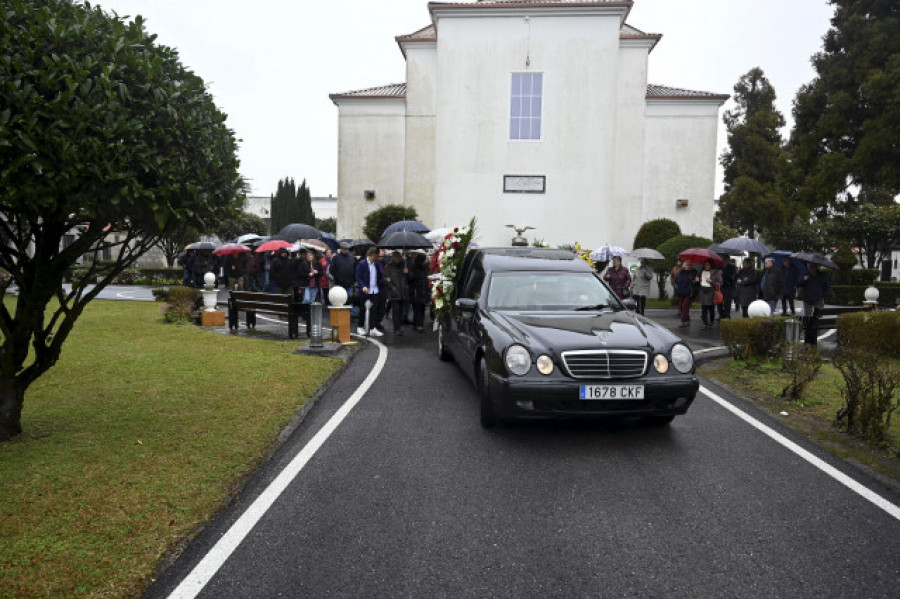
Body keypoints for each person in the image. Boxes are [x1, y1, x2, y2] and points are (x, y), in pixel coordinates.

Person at [355, 247, 384, 336]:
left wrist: (381, 282)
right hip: (365, 291)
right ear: (371, 255)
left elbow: (379, 276)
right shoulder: (362, 264)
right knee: (363, 309)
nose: (377, 258)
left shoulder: (376, 264)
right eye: (375, 256)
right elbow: (358, 277)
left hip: (375, 290)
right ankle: (359, 327)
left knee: (374, 310)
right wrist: (363, 286)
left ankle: (372, 329)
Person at [383, 250, 409, 335]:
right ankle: (396, 328)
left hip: (403, 292)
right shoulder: (389, 267)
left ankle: (399, 327)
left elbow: (409, 278)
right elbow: (386, 279)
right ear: (393, 257)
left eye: (399, 257)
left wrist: (407, 273)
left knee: (401, 311)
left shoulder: (404, 265)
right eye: (396, 257)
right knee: (396, 311)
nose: (397, 258)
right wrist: (392, 287)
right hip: (394, 293)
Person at [329, 242, 358, 318]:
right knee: (339, 298)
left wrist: (353, 279)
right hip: (339, 282)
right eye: (345, 249)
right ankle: (340, 313)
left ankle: (351, 314)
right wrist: (337, 277)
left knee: (350, 297)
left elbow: (355, 269)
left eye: (347, 249)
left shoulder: (352, 258)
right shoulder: (336, 258)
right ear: (341, 249)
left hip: (350, 282)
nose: (346, 250)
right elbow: (331, 269)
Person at [407, 250, 430, 332]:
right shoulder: (414, 267)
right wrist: (408, 274)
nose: (427, 261)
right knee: (417, 308)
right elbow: (410, 279)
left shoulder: (425, 268)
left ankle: (416, 323)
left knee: (422, 308)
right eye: (425, 259)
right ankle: (419, 325)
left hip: (423, 290)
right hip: (416, 291)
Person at [698, 259, 722, 329]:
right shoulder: (701, 272)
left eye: (708, 265)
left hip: (711, 292)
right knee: (704, 308)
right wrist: (697, 280)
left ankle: (711, 321)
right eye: (705, 265)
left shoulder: (716, 272)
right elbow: (699, 281)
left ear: (711, 265)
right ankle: (704, 323)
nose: (706, 266)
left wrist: (711, 281)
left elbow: (720, 283)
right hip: (703, 291)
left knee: (711, 308)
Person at [673, 261, 696, 327]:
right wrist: (676, 287)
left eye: (690, 265)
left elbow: (695, 282)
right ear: (684, 266)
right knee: (681, 307)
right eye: (687, 265)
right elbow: (675, 281)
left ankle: (683, 322)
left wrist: (694, 281)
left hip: (689, 293)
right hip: (681, 292)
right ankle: (687, 318)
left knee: (684, 307)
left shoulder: (693, 273)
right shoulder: (680, 272)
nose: (689, 266)